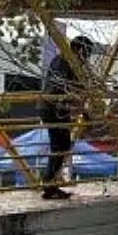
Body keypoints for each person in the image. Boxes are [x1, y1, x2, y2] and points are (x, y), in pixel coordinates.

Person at [40, 35, 94, 200]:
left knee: (61, 145)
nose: (87, 58)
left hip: (56, 108)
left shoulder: (66, 62)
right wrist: (83, 111)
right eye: (86, 53)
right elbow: (66, 88)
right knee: (60, 146)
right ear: (79, 50)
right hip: (54, 108)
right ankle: (49, 184)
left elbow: (76, 90)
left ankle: (50, 183)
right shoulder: (63, 62)